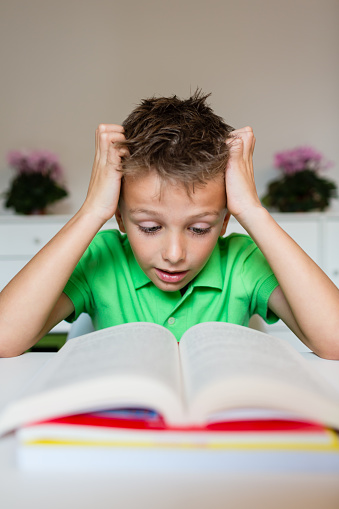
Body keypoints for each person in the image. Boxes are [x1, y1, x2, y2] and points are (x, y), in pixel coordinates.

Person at [0, 91, 339, 359]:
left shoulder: (242, 262)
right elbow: (4, 339)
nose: (174, 255)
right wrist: (91, 211)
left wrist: (252, 211)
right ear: (119, 216)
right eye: (149, 227)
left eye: (199, 228)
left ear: (224, 221)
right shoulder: (101, 258)